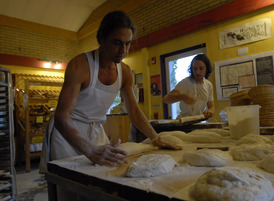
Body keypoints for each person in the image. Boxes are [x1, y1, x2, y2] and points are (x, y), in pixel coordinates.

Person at [40, 11, 181, 172]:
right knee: (66, 188)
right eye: (117, 43)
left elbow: (134, 111)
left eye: (127, 44)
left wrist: (156, 138)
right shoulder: (81, 66)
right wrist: (90, 150)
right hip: (67, 134)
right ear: (101, 39)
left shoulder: (125, 72)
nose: (124, 50)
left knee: (101, 179)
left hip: (96, 131)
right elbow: (62, 116)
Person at [163, 53, 215, 119]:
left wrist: (210, 111)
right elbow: (166, 99)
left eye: (201, 68)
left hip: (198, 121)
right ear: (191, 69)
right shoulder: (184, 83)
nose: (197, 72)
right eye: (195, 68)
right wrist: (182, 97)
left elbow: (212, 106)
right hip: (183, 122)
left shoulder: (208, 85)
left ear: (206, 69)